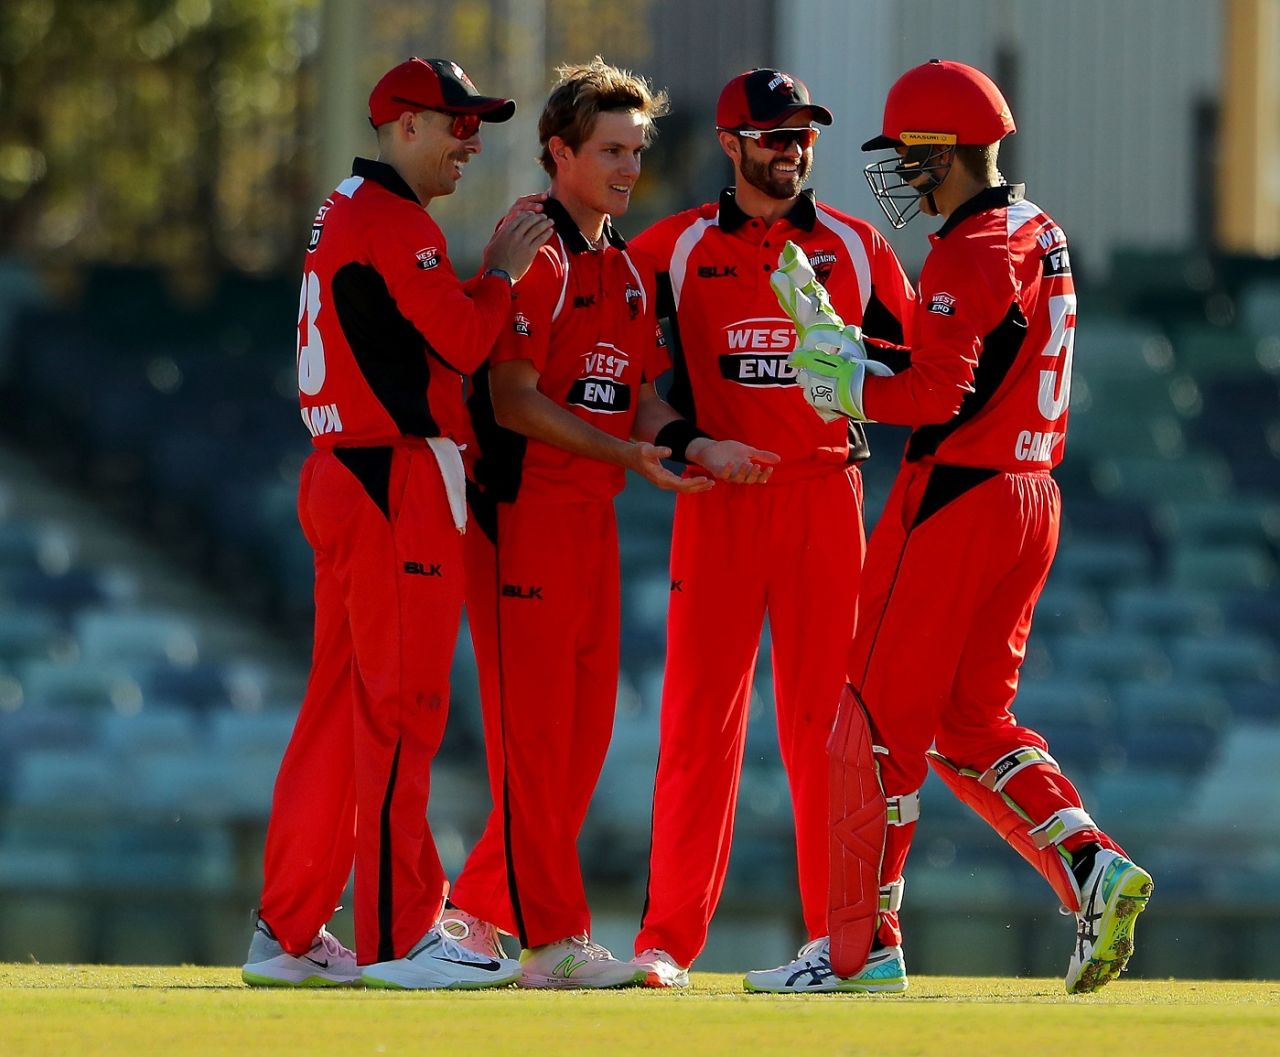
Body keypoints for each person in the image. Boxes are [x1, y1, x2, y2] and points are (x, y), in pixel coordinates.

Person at [744, 59, 1153, 995]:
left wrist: (839, 378)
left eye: (909, 157)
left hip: (956, 502)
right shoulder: (1036, 229)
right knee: (970, 723)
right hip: (1030, 496)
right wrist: (852, 348)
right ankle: (1092, 864)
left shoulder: (969, 248)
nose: (901, 176)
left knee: (871, 729)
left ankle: (858, 952)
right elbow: (970, 360)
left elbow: (935, 393)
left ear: (941, 153)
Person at [437, 57, 778, 990]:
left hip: (587, 519)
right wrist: (628, 456)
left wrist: (691, 443)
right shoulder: (532, 248)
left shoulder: (625, 270)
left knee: (581, 744)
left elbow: (636, 400)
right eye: (612, 150)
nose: (631, 168)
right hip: (521, 518)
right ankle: (529, 932)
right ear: (559, 152)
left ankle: (498, 927)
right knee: (537, 744)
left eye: (639, 149)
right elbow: (510, 400)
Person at [241, 56, 554, 990]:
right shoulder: (390, 217)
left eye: (477, 126)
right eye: (456, 124)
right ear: (405, 125)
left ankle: (288, 928)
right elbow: (462, 341)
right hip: (392, 480)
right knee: (401, 712)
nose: (471, 143)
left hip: (345, 472)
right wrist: (500, 275)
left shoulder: (345, 204)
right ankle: (398, 932)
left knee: (338, 716)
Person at [622, 68, 917, 988]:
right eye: (774, 135)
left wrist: (854, 355)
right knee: (695, 724)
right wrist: (688, 439)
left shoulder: (857, 247)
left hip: (826, 497)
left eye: (804, 136)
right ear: (733, 143)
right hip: (719, 507)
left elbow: (924, 374)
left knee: (828, 734)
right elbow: (620, 374)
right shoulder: (672, 248)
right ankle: (665, 941)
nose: (792, 150)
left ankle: (849, 946)